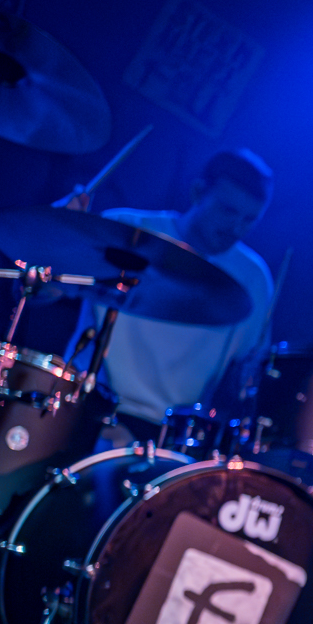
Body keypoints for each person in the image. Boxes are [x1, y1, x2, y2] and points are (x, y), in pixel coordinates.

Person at [60, 148, 276, 440]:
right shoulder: (124, 229)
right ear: (198, 192)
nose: (236, 228)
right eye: (228, 211)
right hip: (85, 409)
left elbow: (246, 372)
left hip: (172, 437)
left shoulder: (254, 278)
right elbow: (40, 293)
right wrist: (58, 233)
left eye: (250, 219)